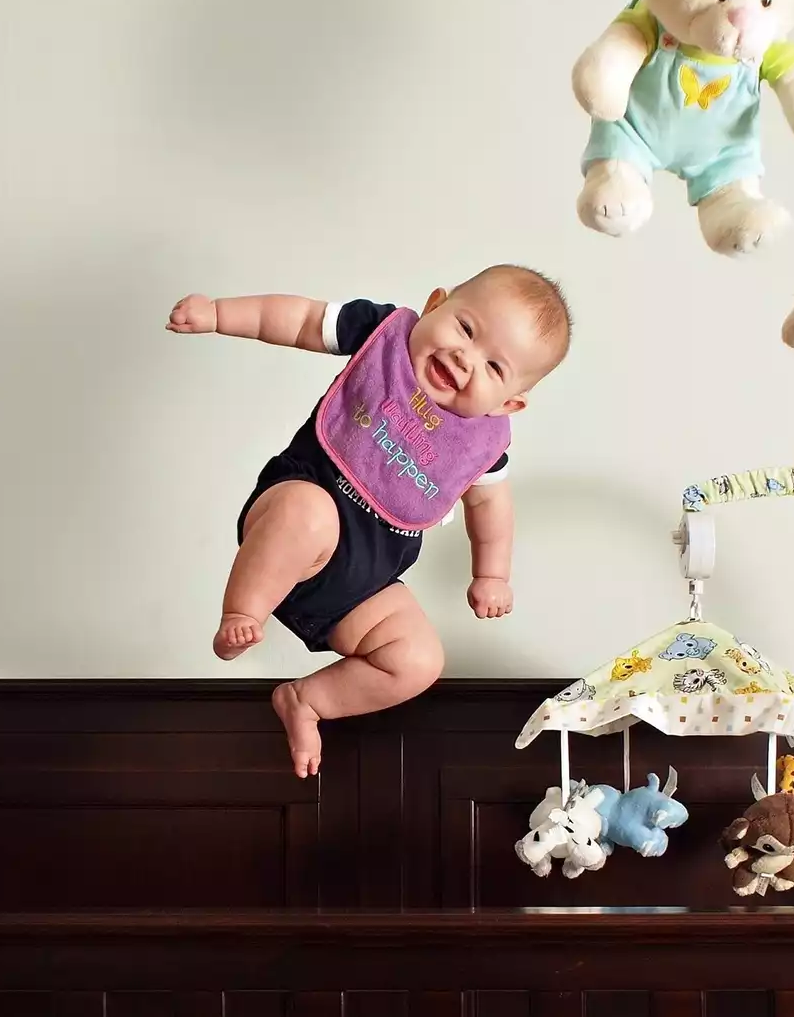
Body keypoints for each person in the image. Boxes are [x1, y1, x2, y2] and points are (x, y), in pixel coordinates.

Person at [167, 266, 572, 776]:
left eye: (494, 367)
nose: (464, 358)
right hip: (291, 518)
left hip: (360, 585)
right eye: (466, 329)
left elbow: (491, 508)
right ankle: (243, 613)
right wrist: (218, 314)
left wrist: (492, 575)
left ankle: (306, 701)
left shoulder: (480, 447)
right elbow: (300, 320)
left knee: (418, 659)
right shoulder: (382, 336)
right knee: (309, 515)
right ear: (434, 304)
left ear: (509, 403)